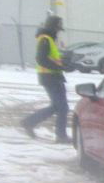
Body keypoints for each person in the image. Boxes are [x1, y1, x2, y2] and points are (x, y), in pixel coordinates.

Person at [21, 15, 70, 143]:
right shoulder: (45, 39)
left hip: (52, 76)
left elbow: (51, 57)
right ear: (53, 27)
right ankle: (61, 135)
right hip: (50, 77)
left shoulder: (48, 39)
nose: (59, 31)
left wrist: (63, 64)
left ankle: (29, 122)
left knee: (57, 106)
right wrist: (59, 66)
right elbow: (41, 59)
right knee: (62, 107)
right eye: (58, 29)